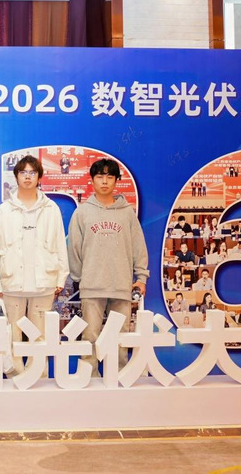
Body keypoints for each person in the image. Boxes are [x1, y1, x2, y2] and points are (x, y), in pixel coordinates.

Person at [68, 158, 148, 375]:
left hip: (121, 286)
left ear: (116, 181)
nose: (104, 181)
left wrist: (141, 277)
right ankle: (89, 378)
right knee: (90, 337)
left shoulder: (127, 212)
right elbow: (74, 248)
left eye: (109, 177)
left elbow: (138, 246)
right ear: (92, 180)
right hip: (91, 286)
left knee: (120, 338)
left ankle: (119, 378)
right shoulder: (82, 212)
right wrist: (80, 278)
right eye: (100, 177)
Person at [0, 155, 69, 375]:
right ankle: (14, 377)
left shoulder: (51, 208)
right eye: (23, 172)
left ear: (39, 177)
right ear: (16, 176)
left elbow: (59, 243)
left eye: (32, 173)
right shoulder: (3, 210)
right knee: (12, 335)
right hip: (11, 283)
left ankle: (39, 377)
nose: (27, 177)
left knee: (40, 336)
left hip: (44, 282)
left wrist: (61, 277)